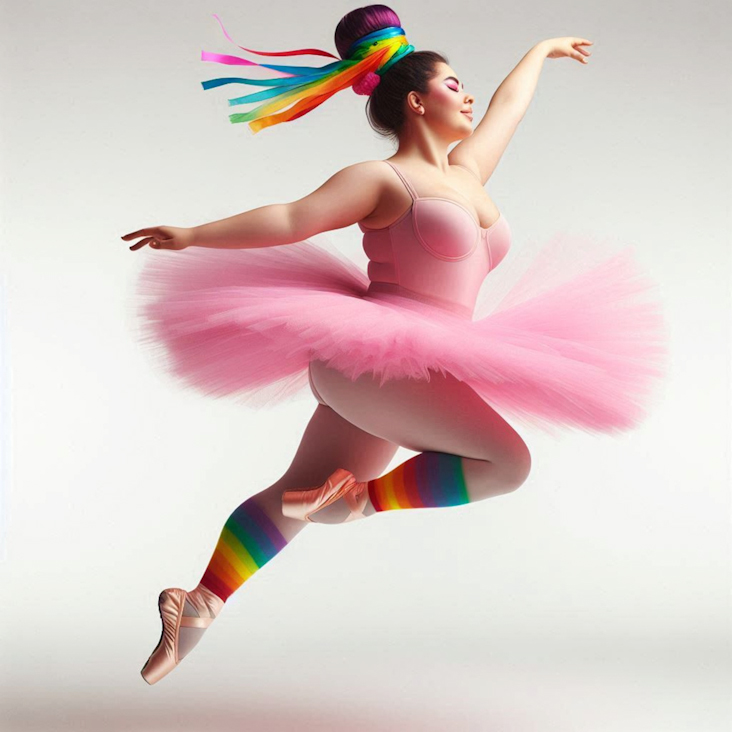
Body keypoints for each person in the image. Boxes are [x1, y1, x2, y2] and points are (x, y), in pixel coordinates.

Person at [121, 6, 667, 685]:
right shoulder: (381, 179)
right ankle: (360, 500)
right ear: (416, 101)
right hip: (372, 360)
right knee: (506, 462)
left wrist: (540, 51)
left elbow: (509, 108)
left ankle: (198, 602)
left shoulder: (468, 175)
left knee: (298, 493)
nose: (467, 95)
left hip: (413, 368)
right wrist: (193, 233)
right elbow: (292, 218)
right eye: (453, 84)